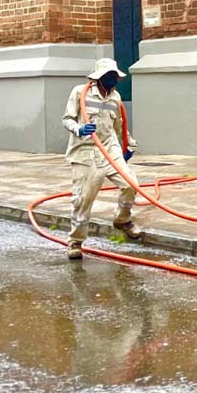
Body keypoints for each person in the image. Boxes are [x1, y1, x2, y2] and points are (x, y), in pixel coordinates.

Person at [61, 58, 143, 260]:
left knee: (131, 184)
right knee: (83, 199)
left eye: (114, 76)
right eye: (108, 76)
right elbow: (67, 119)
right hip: (85, 151)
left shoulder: (115, 98)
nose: (112, 79)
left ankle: (123, 219)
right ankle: (75, 241)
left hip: (109, 148)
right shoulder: (79, 92)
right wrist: (79, 129)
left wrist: (129, 144)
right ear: (98, 78)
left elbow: (119, 126)